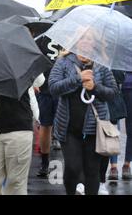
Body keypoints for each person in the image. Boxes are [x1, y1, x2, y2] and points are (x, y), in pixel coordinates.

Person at [49, 36, 117, 195]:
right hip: (68, 128)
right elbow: (53, 88)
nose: (85, 42)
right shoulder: (64, 62)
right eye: (82, 39)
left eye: (90, 39)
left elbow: (113, 93)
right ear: (75, 42)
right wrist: (78, 79)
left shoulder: (101, 65)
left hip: (94, 129)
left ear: (95, 43)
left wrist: (94, 87)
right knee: (73, 168)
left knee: (92, 171)